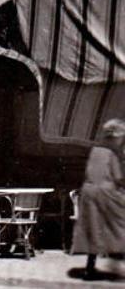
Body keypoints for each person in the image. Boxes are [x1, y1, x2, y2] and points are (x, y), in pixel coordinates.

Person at [73, 118, 125, 280]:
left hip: (89, 193)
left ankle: (90, 268)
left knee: (94, 229)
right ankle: (116, 264)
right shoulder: (113, 153)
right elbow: (117, 177)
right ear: (117, 136)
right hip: (106, 193)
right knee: (120, 224)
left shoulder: (95, 150)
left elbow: (90, 172)